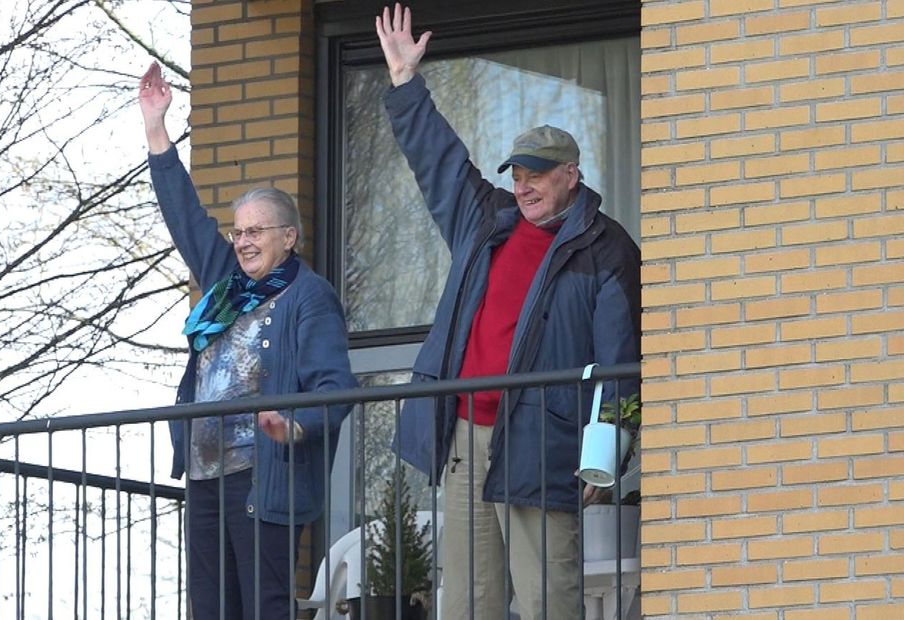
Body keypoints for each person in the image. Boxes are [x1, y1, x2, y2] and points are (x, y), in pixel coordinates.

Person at [375, 5, 642, 620]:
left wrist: (608, 453)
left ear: (571, 176)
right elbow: (439, 163)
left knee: (550, 596)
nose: (524, 187)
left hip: (543, 439)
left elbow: (620, 362)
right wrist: (404, 83)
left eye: (538, 176)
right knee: (469, 601)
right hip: (465, 433)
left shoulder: (606, 249)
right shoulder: (487, 220)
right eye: (518, 174)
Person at [137, 62, 357, 620]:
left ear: (289, 237)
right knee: (210, 610)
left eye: (256, 231)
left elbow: (338, 387)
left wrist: (295, 425)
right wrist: (157, 130)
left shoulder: (310, 297)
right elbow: (183, 216)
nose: (242, 241)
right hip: (206, 473)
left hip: (266, 478)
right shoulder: (224, 282)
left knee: (263, 607)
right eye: (238, 231)